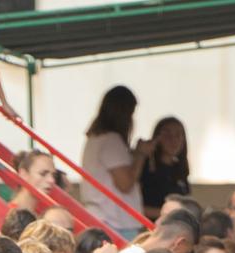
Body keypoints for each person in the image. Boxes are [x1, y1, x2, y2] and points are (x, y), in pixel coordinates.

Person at [80, 85, 144, 236]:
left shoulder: (95, 138)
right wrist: (141, 155)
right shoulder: (111, 140)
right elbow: (125, 184)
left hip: (101, 216)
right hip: (115, 221)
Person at [135, 117, 189, 220]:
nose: (173, 140)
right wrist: (167, 213)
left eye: (178, 135)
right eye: (167, 135)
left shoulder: (180, 170)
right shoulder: (145, 167)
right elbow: (136, 206)